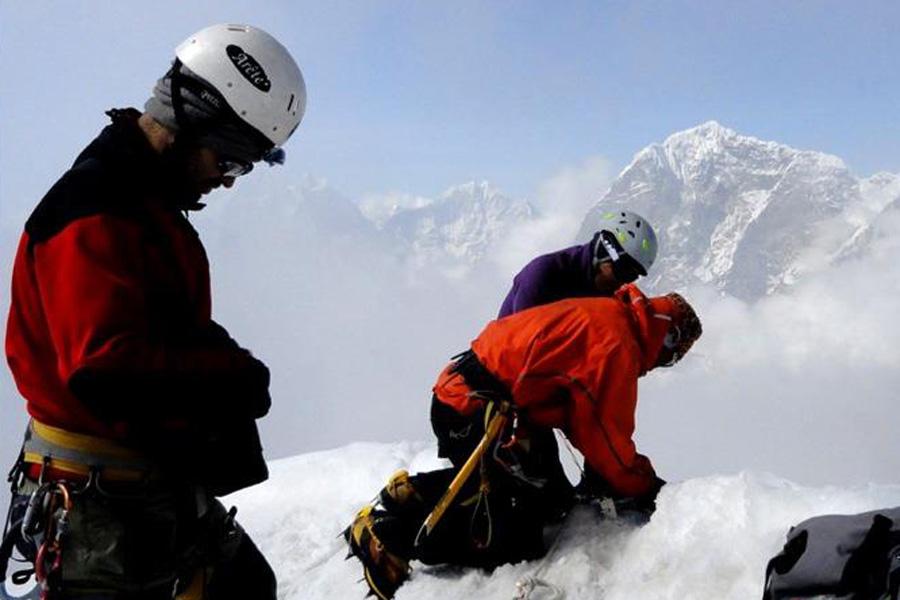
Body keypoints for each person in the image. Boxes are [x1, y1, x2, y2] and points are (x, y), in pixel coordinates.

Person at [1, 24, 305, 599]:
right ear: (192, 121)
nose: (228, 180)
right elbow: (105, 369)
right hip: (96, 514)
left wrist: (228, 363)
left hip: (136, 487)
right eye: (230, 160)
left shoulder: (141, 202)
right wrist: (230, 379)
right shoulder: (96, 212)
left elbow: (160, 319)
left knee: (245, 585)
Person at [344, 284, 702, 599]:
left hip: (466, 397)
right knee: (515, 538)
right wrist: (644, 485)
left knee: (550, 500)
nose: (662, 364)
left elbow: (575, 409)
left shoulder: (609, 316)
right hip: (474, 408)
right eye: (671, 356)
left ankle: (414, 492)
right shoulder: (616, 345)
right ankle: (387, 535)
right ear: (667, 337)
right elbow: (605, 435)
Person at [498, 210, 658, 317]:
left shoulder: (610, 297)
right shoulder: (542, 275)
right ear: (605, 253)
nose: (622, 282)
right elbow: (520, 345)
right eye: (623, 272)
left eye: (632, 276)